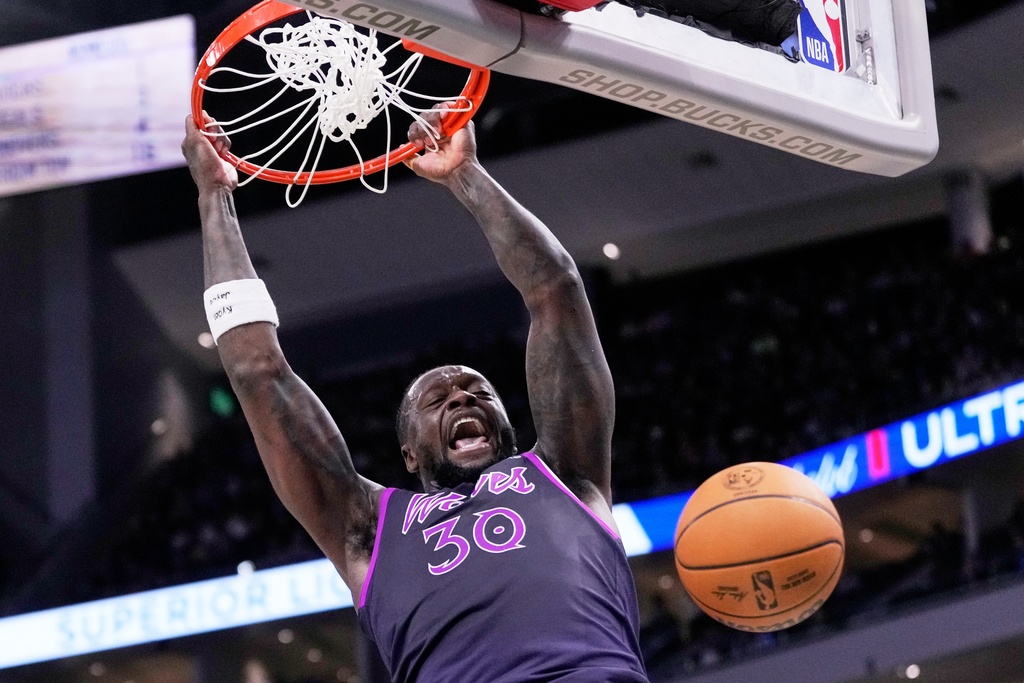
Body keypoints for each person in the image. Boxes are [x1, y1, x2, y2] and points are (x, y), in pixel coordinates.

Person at [181, 106, 649, 682]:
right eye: (438, 401)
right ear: (408, 454)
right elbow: (257, 371)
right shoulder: (368, 527)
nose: (462, 398)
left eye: (479, 392)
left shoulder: (567, 472)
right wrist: (213, 196)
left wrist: (465, 174)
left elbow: (556, 288)